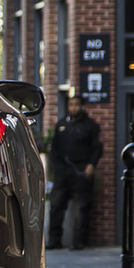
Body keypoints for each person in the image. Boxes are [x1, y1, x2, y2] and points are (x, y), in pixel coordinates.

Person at [46, 95, 102, 250]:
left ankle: (79, 241)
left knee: (81, 208)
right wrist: (57, 166)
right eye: (71, 104)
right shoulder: (61, 124)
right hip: (63, 171)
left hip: (81, 170)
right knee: (57, 206)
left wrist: (91, 165)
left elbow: (97, 147)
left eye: (77, 104)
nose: (74, 107)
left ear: (82, 106)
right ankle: (54, 240)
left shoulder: (90, 126)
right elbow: (54, 147)